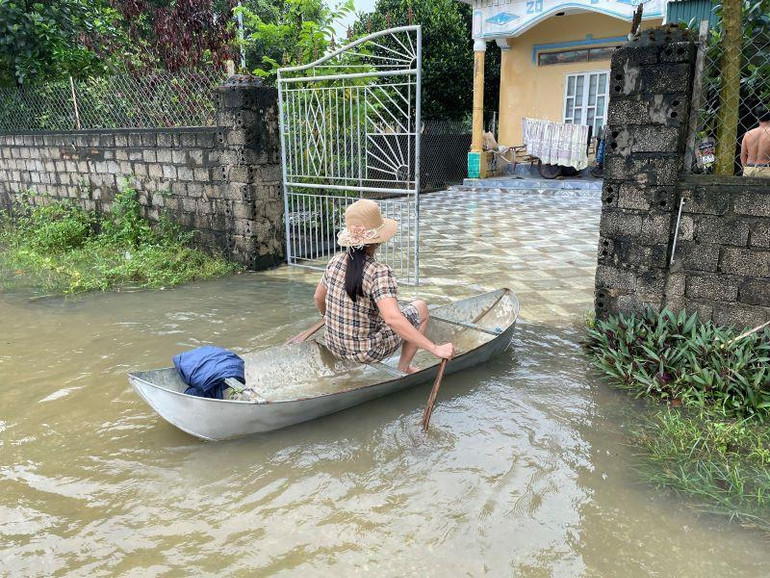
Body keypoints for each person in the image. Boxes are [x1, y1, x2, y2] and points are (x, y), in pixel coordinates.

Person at [314, 199, 455, 374]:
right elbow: (393, 319)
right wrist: (435, 348)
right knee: (421, 308)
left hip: (333, 344)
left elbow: (318, 298)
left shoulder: (335, 261)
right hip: (366, 352)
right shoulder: (378, 272)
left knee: (386, 312)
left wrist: (327, 317)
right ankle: (404, 368)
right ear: (376, 241)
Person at [741, 105, 770, 178]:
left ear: (757, 118)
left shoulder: (748, 134)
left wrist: (746, 168)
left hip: (749, 169)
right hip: (767, 170)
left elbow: (743, 156)